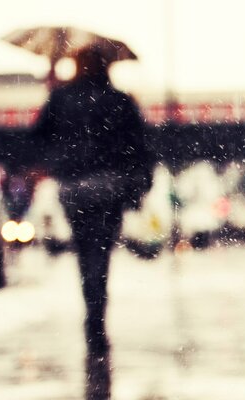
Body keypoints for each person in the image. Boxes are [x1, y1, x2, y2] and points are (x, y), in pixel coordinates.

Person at [31, 45, 151, 398]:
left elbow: (36, 137)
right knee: (102, 253)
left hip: (73, 188)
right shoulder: (119, 100)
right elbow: (139, 146)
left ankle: (92, 311)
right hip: (110, 186)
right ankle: (98, 313)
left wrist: (58, 156)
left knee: (85, 252)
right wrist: (137, 187)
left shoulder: (61, 97)